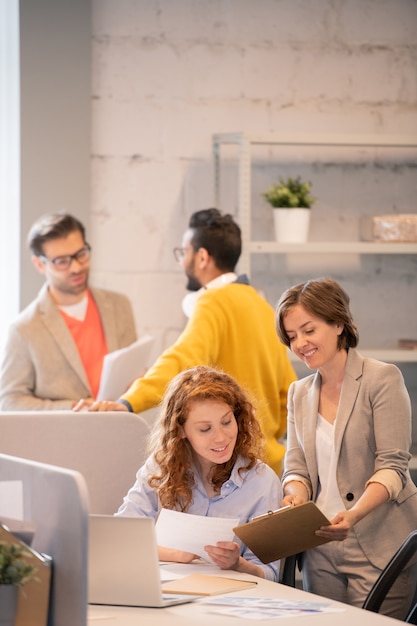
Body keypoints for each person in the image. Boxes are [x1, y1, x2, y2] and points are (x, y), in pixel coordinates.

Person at [74, 208, 296, 475]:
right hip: (266, 465)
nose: (182, 262)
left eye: (184, 252)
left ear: (202, 257)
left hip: (227, 466)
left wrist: (127, 403)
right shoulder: (261, 306)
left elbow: (181, 362)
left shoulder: (213, 302)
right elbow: (288, 392)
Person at [275, 277, 417, 618]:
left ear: (338, 323)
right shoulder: (299, 393)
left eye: (309, 330)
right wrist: (295, 495)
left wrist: (353, 516)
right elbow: (296, 468)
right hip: (320, 543)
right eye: (292, 337)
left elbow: (393, 467)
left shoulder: (381, 379)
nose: (300, 343)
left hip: (380, 542)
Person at [116, 365, 282, 581]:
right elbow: (121, 537)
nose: (221, 437)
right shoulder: (159, 469)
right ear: (181, 431)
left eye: (226, 422)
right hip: (166, 591)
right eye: (205, 429)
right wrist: (177, 555)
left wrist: (237, 564)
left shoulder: (261, 481)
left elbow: (270, 575)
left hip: (230, 600)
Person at [0, 212, 137, 410]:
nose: (76, 267)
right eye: (61, 261)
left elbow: (132, 372)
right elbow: (9, 401)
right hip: (61, 437)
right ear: (40, 264)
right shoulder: (24, 329)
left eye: (80, 254)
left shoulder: (119, 306)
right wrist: (71, 408)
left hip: (118, 430)